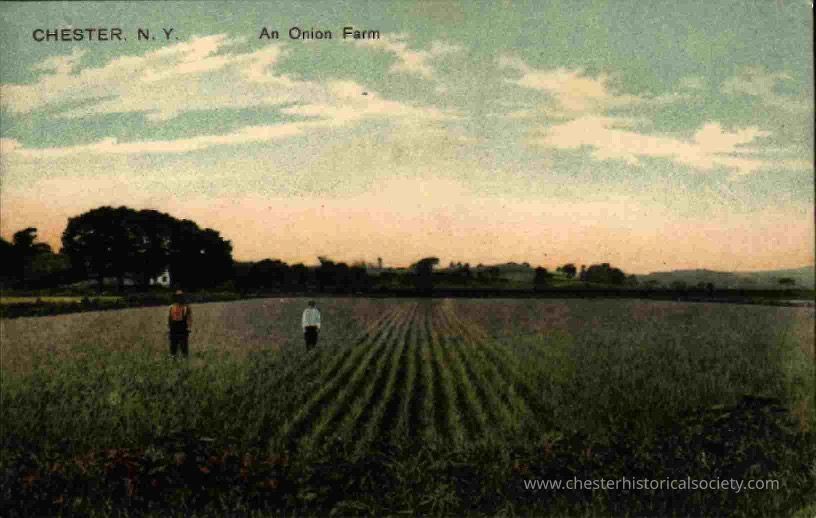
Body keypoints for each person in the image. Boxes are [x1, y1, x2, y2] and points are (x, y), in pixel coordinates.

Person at [168, 290, 192, 358]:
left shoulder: (186, 307)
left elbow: (189, 318)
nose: (179, 298)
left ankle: (185, 359)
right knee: (173, 347)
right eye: (178, 296)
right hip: (173, 329)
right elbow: (170, 318)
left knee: (184, 347)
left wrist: (189, 327)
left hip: (183, 329)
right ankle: (173, 359)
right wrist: (169, 328)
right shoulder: (171, 307)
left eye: (181, 296)